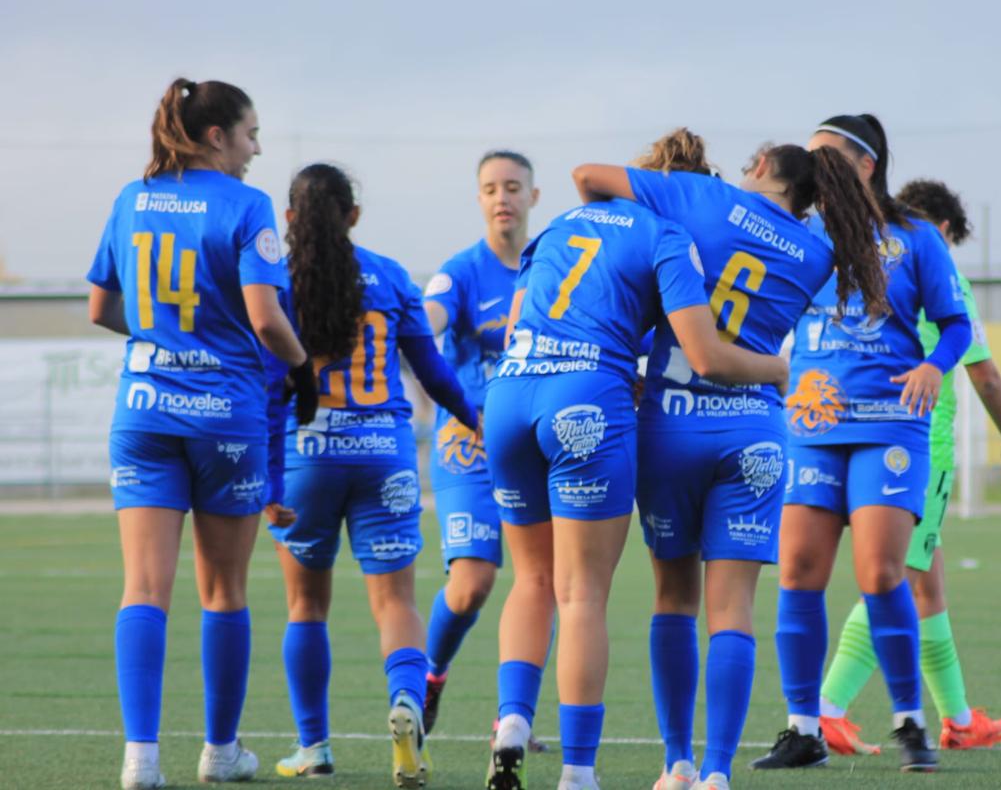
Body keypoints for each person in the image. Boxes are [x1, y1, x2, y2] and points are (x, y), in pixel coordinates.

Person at [573, 129, 888, 790]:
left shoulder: (698, 196)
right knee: (734, 609)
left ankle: (676, 763)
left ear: (762, 164)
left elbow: (588, 176)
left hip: (672, 423)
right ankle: (718, 772)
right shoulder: (819, 252)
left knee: (672, 598)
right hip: (755, 433)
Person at [483, 173, 791, 790]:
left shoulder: (558, 226)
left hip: (509, 395)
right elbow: (701, 355)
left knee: (531, 578)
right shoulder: (666, 233)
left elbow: (517, 322)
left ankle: (513, 718)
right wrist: (780, 368)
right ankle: (577, 770)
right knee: (580, 595)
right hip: (586, 397)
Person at [86, 77, 317, 790]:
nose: (256, 150)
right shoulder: (247, 206)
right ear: (217, 136)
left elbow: (101, 306)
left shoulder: (132, 198)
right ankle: (220, 752)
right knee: (223, 591)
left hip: (144, 411)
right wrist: (302, 367)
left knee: (143, 589)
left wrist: (166, 340)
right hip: (226, 418)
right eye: (251, 135)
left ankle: (140, 761)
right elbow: (265, 317)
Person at [752, 113, 972, 774]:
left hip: (889, 427)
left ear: (867, 163)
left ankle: (909, 720)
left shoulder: (915, 237)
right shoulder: (798, 234)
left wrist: (935, 364)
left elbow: (955, 325)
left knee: (880, 574)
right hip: (813, 428)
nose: (812, 168)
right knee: (796, 573)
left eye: (826, 156)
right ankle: (803, 729)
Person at [264, 164, 480, 788]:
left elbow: (270, 391)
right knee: (397, 603)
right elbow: (434, 373)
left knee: (306, 606)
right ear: (353, 215)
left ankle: (313, 748)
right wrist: (473, 419)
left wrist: (270, 487)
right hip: (385, 450)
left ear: (290, 219)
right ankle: (408, 703)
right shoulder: (389, 276)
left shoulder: (277, 282)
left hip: (308, 452)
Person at [817, 178, 1001, 755]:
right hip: (919, 444)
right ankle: (828, 707)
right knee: (898, 577)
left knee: (926, 585)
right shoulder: (941, 271)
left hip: (877, 430)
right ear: (946, 231)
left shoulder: (872, 265)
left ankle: (957, 717)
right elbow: (984, 372)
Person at [420, 150, 539, 735]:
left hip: (533, 445)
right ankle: (429, 677)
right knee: (471, 585)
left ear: (533, 198)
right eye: (491, 188)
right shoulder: (462, 271)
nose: (502, 198)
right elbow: (429, 319)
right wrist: (424, 330)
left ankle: (512, 717)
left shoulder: (552, 268)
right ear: (479, 199)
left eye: (513, 187)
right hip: (467, 442)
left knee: (543, 581)